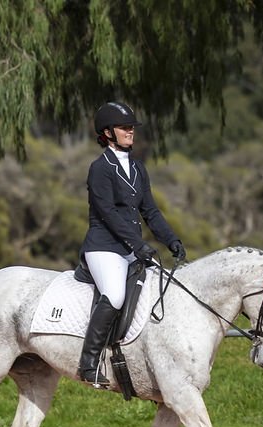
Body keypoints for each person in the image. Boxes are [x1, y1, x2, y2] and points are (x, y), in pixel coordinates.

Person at [77, 101, 186, 387]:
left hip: (129, 248)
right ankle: (88, 362)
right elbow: (108, 213)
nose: (130, 132)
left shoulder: (138, 167)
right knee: (113, 295)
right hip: (103, 247)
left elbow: (150, 211)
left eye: (131, 127)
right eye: (124, 127)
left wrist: (170, 239)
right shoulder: (100, 168)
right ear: (108, 132)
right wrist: (138, 245)